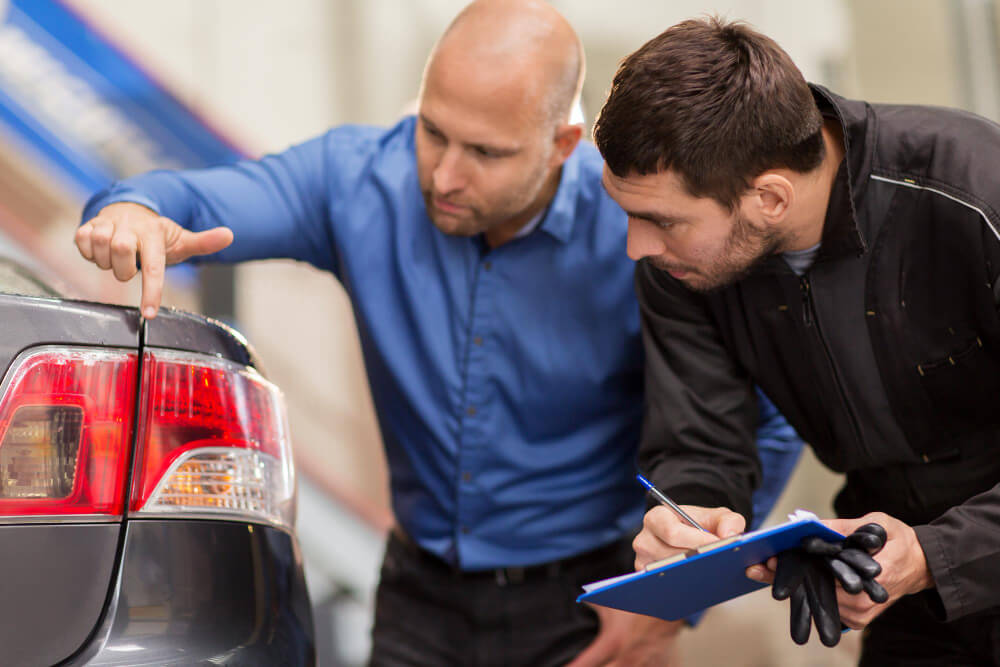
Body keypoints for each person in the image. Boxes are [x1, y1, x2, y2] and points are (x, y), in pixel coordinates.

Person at [74, 3, 802, 664]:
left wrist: (676, 599)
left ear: (561, 143)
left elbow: (767, 413)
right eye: (432, 132)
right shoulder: (358, 179)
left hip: (590, 601)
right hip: (416, 599)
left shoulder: (641, 234)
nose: (444, 175)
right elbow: (193, 200)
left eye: (485, 152)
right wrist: (134, 210)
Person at [593, 15, 1000, 666]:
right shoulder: (682, 267)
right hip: (896, 580)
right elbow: (702, 440)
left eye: (661, 220)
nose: (636, 246)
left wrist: (937, 554)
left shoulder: (977, 192)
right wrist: (689, 517)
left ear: (771, 198)